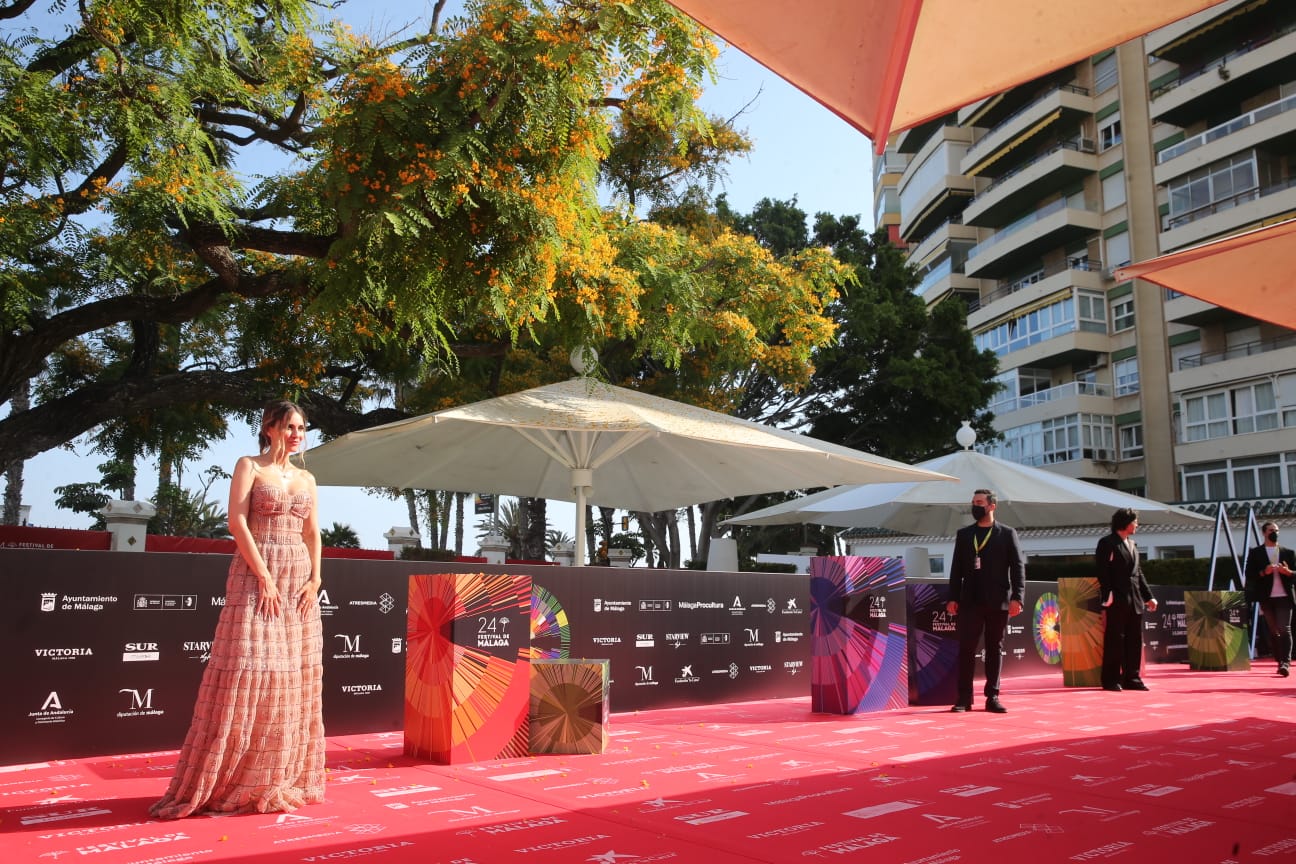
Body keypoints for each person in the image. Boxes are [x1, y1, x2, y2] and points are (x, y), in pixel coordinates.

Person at [150, 400, 326, 818]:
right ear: (268, 427)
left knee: (292, 681)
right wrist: (263, 575)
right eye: (289, 426)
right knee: (248, 670)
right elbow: (237, 522)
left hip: (299, 580)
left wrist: (316, 579)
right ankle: (227, 779)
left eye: (302, 427)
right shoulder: (249, 465)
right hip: (255, 571)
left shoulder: (307, 477)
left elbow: (312, 531)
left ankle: (276, 776)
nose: (297, 434)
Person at [946, 488, 1025, 713]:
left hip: (998, 600)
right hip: (970, 600)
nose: (975, 506)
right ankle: (964, 698)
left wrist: (1017, 597)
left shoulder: (1007, 534)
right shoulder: (964, 535)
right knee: (966, 649)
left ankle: (993, 697)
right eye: (973, 502)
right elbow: (956, 569)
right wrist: (953, 597)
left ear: (992, 506)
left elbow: (1018, 568)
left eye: (979, 502)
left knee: (994, 649)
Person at [1095, 507, 1157, 692]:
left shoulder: (1133, 544)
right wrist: (1108, 595)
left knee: (1134, 640)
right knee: (1115, 639)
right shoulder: (1107, 543)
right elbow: (1102, 572)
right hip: (1117, 599)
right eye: (1135, 521)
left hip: (1135, 599)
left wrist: (1149, 597)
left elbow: (1138, 574)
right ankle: (1111, 680)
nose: (1137, 524)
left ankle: (1132, 677)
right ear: (1126, 523)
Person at [1244, 521, 1296, 677]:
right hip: (1266, 598)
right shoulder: (1255, 553)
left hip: (1285, 597)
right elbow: (1249, 575)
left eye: (1277, 530)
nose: (1275, 532)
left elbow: (1295, 573)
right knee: (1274, 631)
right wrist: (1263, 572)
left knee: (1284, 629)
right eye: (1272, 530)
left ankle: (1285, 663)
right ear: (1264, 532)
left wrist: (1288, 572)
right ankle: (1279, 660)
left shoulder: (1288, 552)